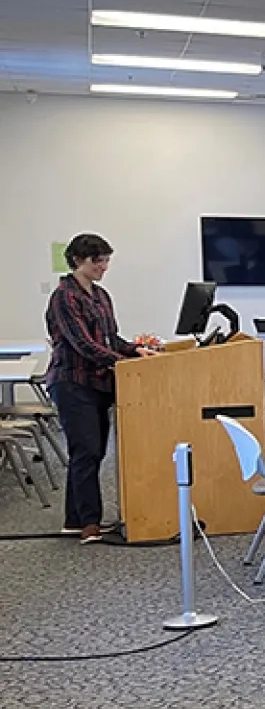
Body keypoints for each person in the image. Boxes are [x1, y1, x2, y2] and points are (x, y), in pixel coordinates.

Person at [44, 232, 157, 541]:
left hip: (98, 383)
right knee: (87, 451)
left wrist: (135, 350)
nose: (103, 267)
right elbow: (83, 344)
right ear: (78, 260)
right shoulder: (64, 297)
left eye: (106, 260)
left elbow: (110, 339)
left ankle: (75, 519)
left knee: (90, 453)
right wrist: (122, 361)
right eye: (97, 261)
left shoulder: (101, 296)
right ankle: (89, 523)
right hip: (72, 382)